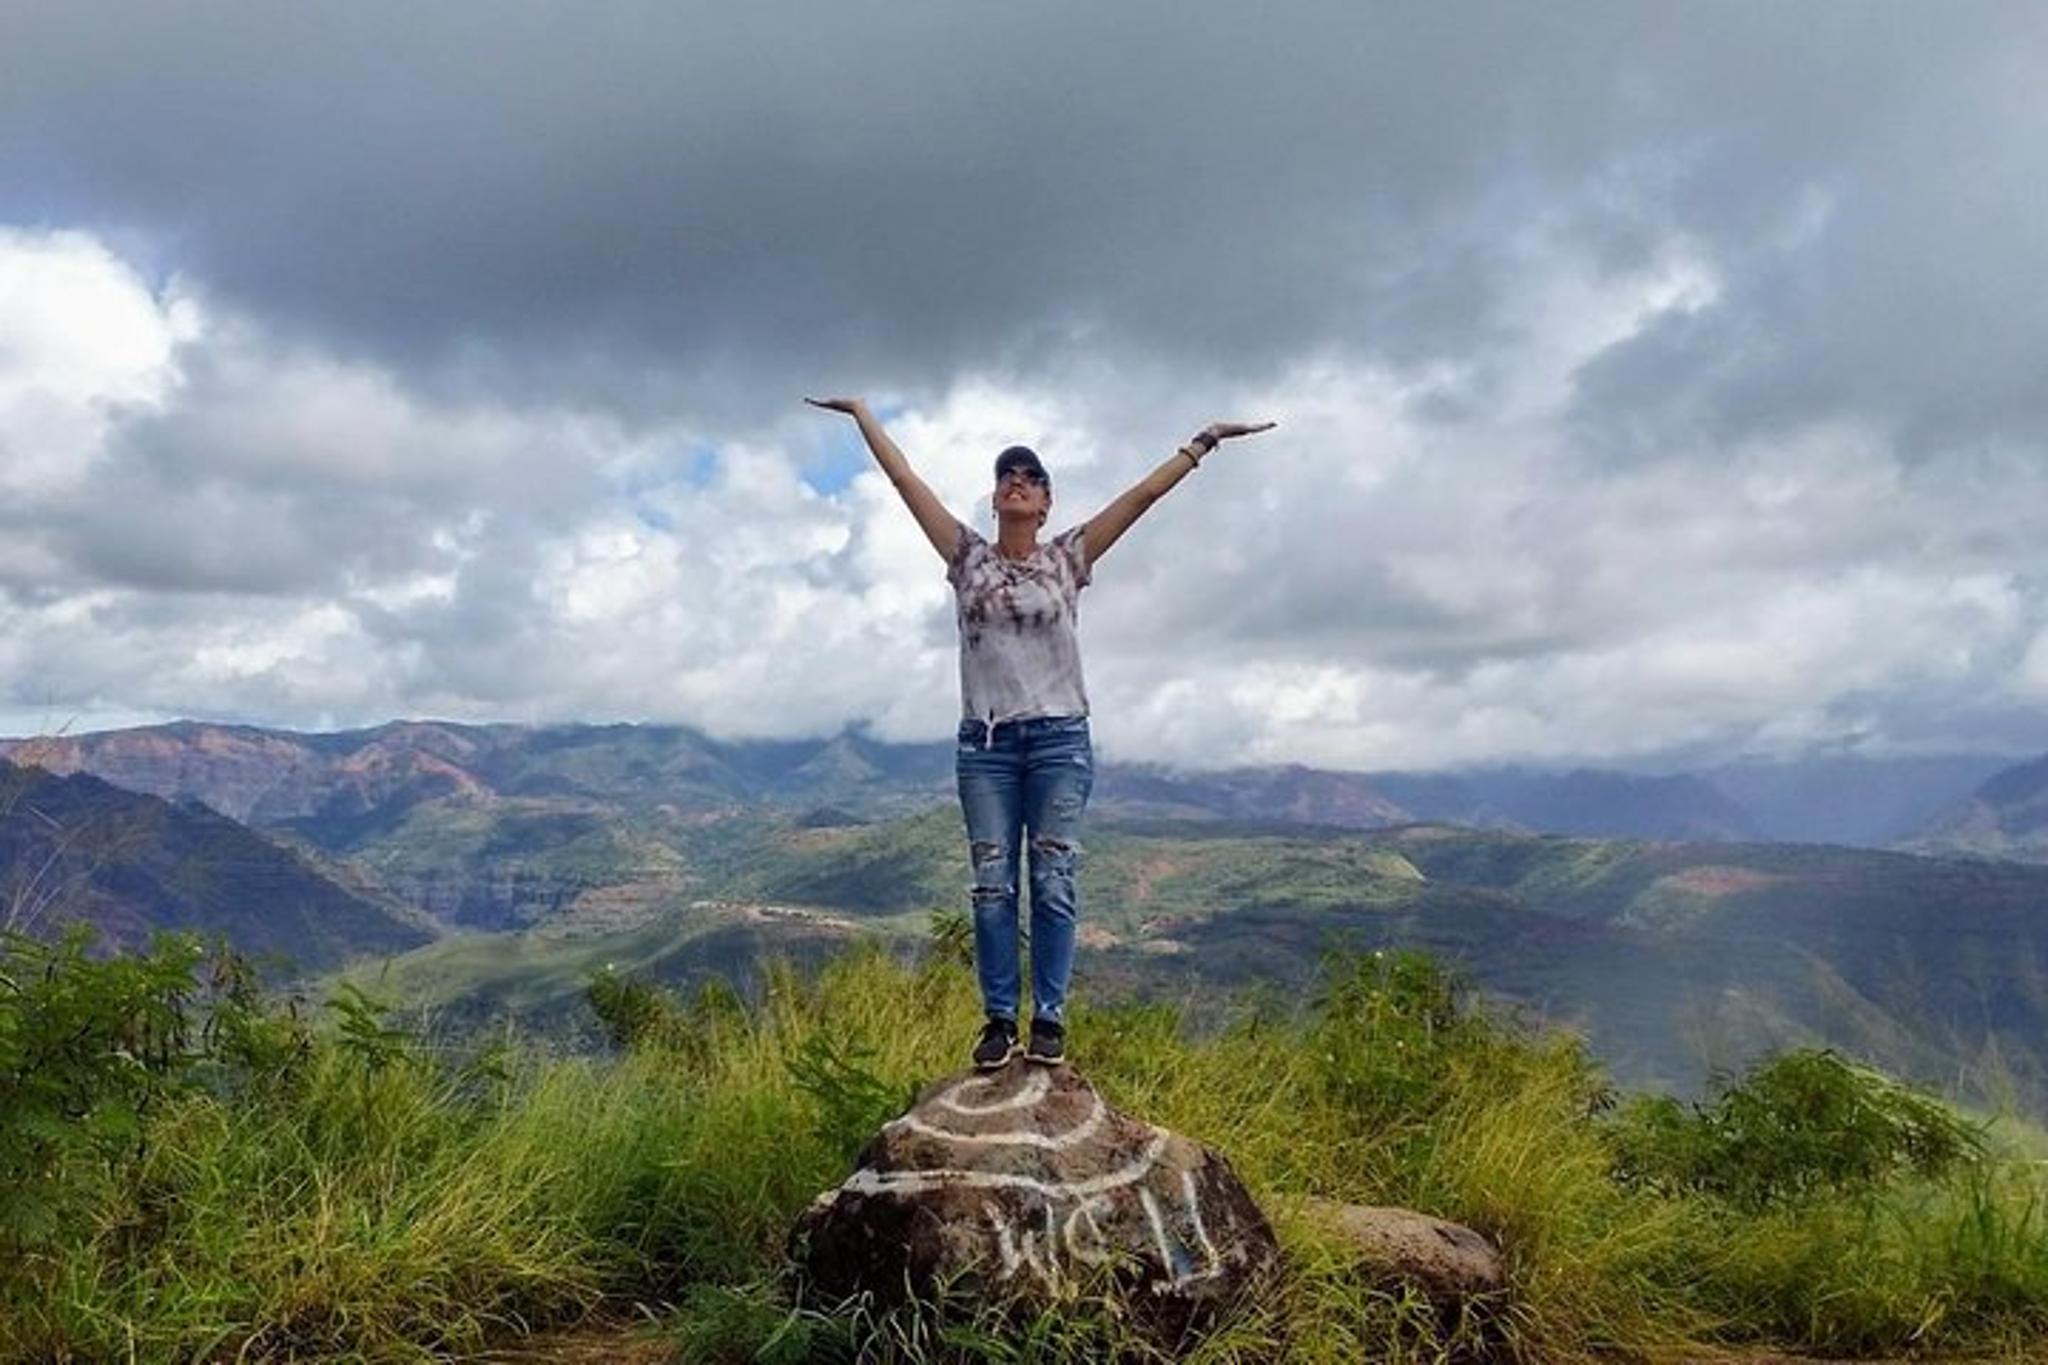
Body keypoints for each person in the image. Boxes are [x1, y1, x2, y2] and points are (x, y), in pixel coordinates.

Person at [805, 396, 1276, 1068]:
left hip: (1059, 741)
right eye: (1007, 474)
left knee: (1053, 879)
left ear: (1047, 503)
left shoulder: (1067, 557)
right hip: (986, 746)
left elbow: (1142, 496)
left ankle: (1049, 1017)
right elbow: (906, 481)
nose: (1017, 480)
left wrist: (1205, 441)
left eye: (1031, 476)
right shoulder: (967, 557)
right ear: (995, 497)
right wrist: (861, 415)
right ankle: (999, 1020)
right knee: (993, 884)